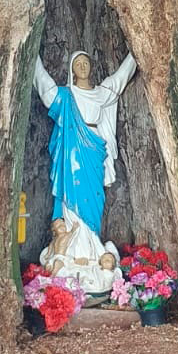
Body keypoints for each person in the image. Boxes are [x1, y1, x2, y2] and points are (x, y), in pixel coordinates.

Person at [33, 49, 136, 235]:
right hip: (73, 151)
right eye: (78, 64)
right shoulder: (66, 96)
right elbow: (45, 87)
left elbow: (121, 77)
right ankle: (75, 241)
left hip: (94, 150)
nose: (82, 66)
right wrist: (33, 57)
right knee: (73, 191)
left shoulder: (101, 93)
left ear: (91, 66)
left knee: (94, 195)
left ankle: (92, 241)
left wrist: (135, 53)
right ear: (72, 70)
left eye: (85, 63)